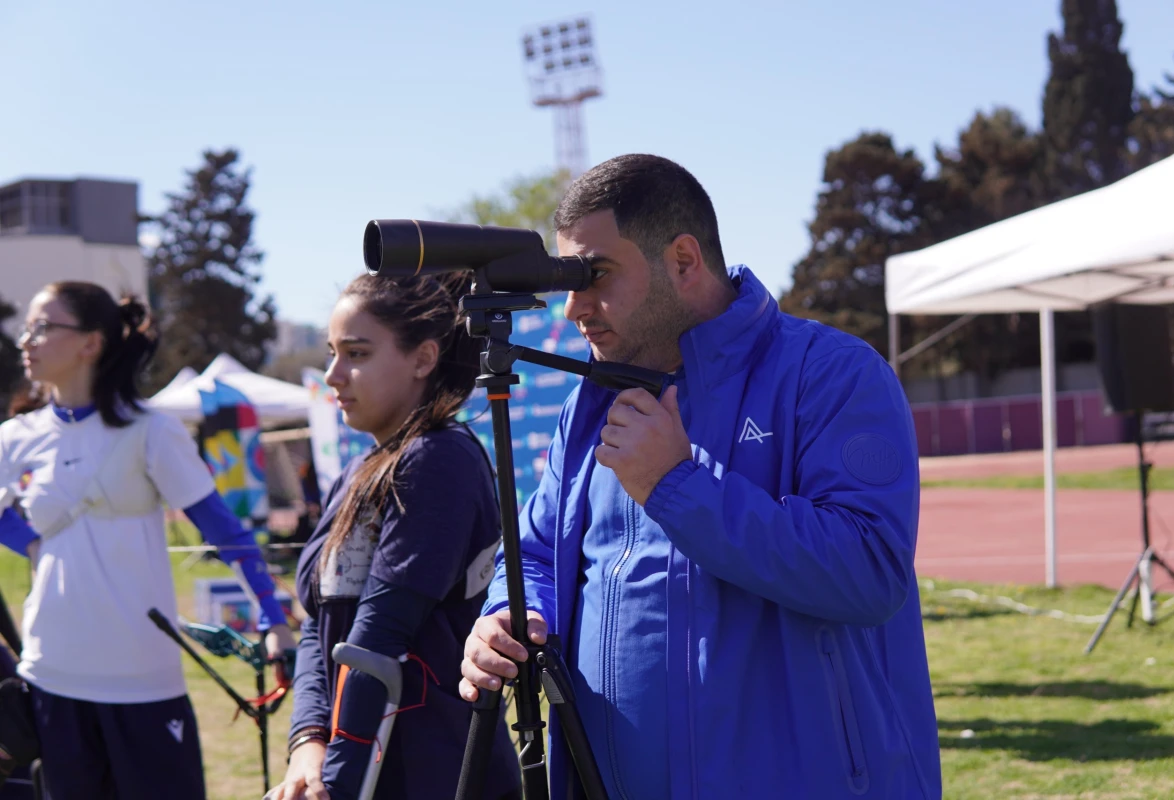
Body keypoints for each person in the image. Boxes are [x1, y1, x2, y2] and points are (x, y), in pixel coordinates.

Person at [459, 154, 943, 799]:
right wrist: (510, 616)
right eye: (567, 277)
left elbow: (870, 572)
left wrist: (677, 485)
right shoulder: (590, 399)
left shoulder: (833, 373)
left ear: (684, 261)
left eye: (595, 273)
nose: (574, 306)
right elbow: (541, 552)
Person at [0, 281, 296, 800]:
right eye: (27, 327)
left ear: (92, 342)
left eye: (43, 326)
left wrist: (274, 621)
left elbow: (224, 531)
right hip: (51, 674)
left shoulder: (153, 431)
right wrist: (33, 546)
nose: (27, 339)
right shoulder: (15, 436)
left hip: (142, 682)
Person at [269, 273, 521, 800]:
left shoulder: (439, 458)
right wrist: (307, 745)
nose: (334, 375)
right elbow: (321, 630)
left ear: (423, 358)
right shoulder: (359, 468)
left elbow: (376, 644)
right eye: (332, 352)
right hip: (358, 767)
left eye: (356, 353)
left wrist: (336, 783)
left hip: (432, 774)